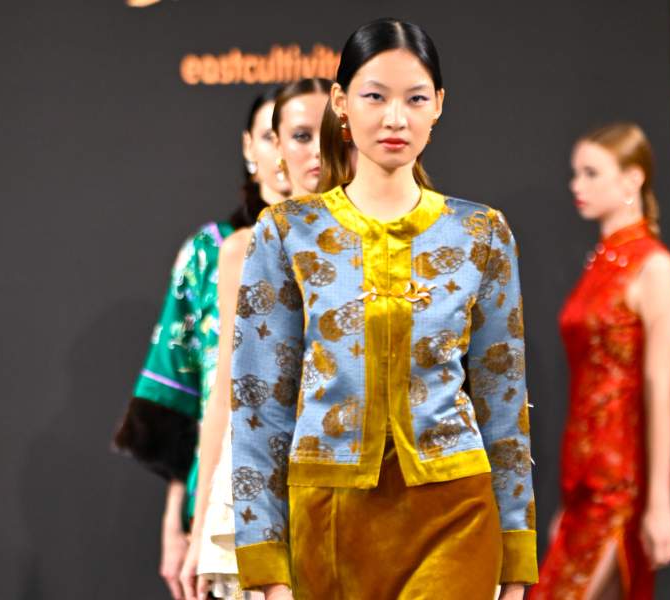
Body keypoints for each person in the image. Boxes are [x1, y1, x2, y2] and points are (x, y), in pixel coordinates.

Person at [230, 18, 537, 600]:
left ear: (438, 106)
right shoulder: (287, 232)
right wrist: (266, 565)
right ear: (342, 102)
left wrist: (517, 555)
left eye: (415, 98)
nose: (396, 118)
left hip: (456, 508)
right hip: (329, 515)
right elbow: (258, 403)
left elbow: (504, 398)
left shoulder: (482, 233)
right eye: (375, 96)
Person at [113, 86, 289, 600]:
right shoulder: (211, 253)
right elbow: (189, 394)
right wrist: (176, 522)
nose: (285, 153)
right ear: (249, 148)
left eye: (301, 136)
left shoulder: (345, 246)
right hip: (217, 495)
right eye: (270, 136)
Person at [178, 79, 332, 600]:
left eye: (333, 133)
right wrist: (198, 530)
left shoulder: (402, 239)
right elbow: (225, 391)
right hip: (260, 491)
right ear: (276, 148)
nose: (318, 149)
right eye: (300, 134)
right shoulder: (241, 251)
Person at [529, 123, 670, 600]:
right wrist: (569, 504)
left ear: (631, 180)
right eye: (577, 173)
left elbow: (659, 387)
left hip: (620, 486)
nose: (577, 185)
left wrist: (658, 503)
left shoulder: (653, 266)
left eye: (592, 173)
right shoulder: (601, 261)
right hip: (583, 480)